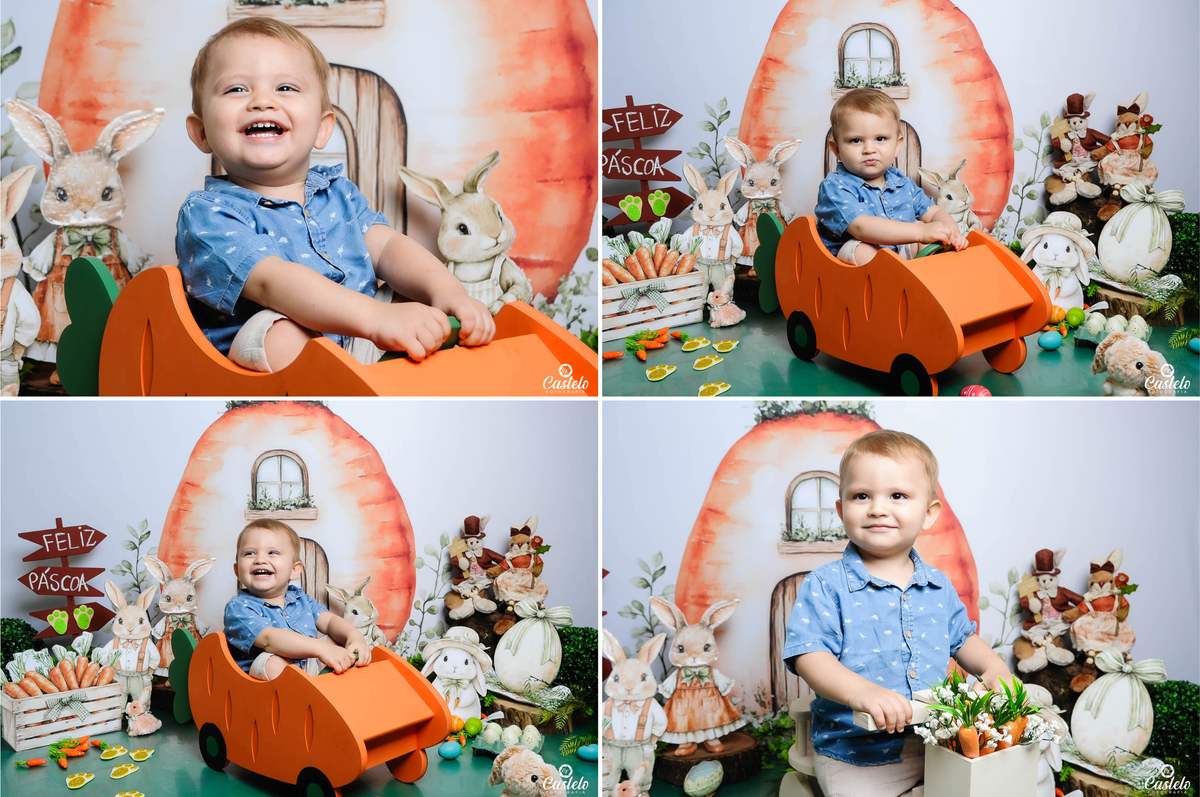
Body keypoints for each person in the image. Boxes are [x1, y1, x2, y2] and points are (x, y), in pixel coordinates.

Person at [178, 18, 494, 373]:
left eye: (285, 87)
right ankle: (338, 384)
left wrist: (448, 292)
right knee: (278, 332)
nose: (262, 101)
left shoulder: (338, 194)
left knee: (419, 302)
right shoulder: (207, 215)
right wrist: (377, 318)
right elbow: (271, 282)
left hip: (362, 341)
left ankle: (396, 380)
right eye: (236, 89)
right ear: (201, 132)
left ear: (322, 128)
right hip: (275, 356)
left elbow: (389, 247)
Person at [783, 430, 1012, 797]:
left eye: (898, 496)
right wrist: (861, 692)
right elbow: (809, 655)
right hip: (855, 755)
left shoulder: (938, 586)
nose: (877, 508)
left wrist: (994, 668)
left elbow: (962, 639)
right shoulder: (826, 585)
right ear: (841, 510)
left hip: (938, 743)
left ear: (928, 514)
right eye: (861, 496)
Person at [816, 89, 968, 265]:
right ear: (837, 150)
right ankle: (890, 279)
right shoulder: (835, 187)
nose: (869, 149)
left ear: (897, 146)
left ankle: (923, 276)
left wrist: (950, 232)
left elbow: (933, 212)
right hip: (852, 265)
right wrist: (921, 232)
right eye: (856, 140)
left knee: (932, 238)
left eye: (880, 138)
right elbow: (861, 227)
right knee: (862, 249)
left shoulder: (902, 183)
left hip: (899, 255)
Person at [224, 519, 371, 680]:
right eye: (250, 553)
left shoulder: (301, 600)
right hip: (263, 682)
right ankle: (304, 692)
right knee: (271, 661)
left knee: (338, 642)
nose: (260, 559)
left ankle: (323, 688)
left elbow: (329, 622)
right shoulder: (238, 608)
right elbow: (268, 639)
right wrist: (321, 648)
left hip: (306, 670)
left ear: (294, 570)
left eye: (272, 552)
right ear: (237, 571)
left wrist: (354, 637)